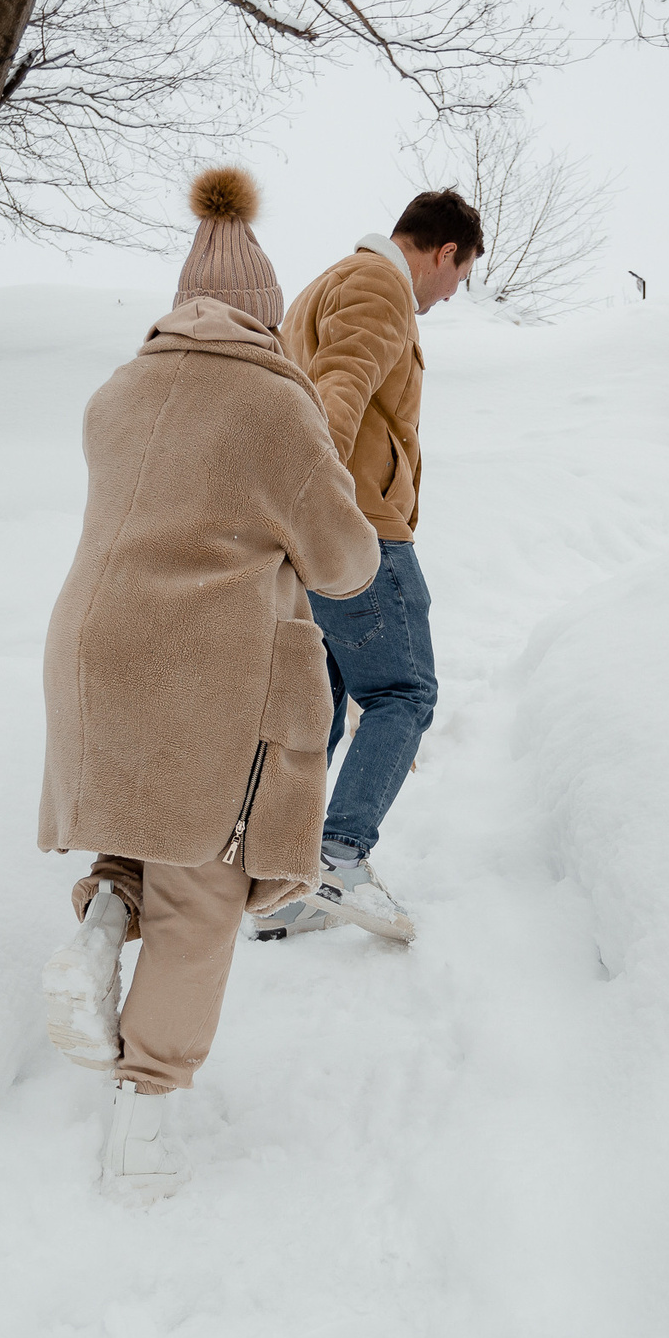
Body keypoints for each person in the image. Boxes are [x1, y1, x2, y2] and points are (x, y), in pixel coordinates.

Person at [37, 167, 379, 1199]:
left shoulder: (118, 391)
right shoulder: (276, 406)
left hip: (93, 658)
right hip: (204, 673)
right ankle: (145, 1118)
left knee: (146, 839)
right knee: (203, 893)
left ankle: (99, 933)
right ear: (265, 321)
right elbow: (343, 563)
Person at [249, 189, 481, 944]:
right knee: (404, 692)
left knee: (324, 703)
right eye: (461, 273)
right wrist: (326, 514)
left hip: (320, 533)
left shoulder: (325, 284)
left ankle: (285, 878)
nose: (453, 292)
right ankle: (338, 860)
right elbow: (336, 396)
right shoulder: (381, 285)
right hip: (359, 535)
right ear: (444, 251)